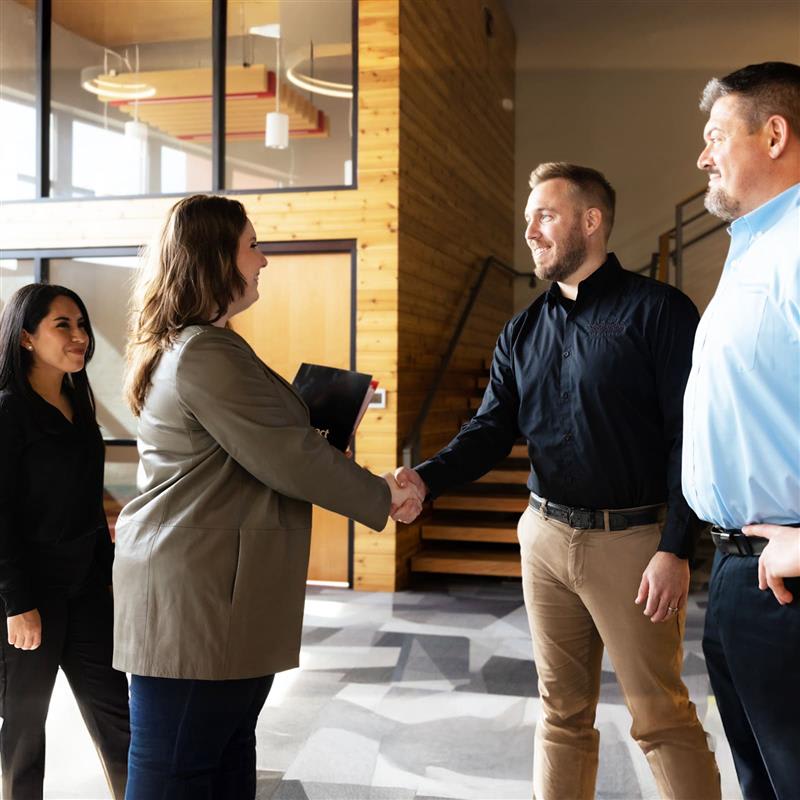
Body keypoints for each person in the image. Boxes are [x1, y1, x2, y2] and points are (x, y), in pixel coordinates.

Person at [395, 163, 720, 799]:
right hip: (543, 536)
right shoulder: (521, 331)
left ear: (591, 221)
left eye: (545, 216)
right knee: (561, 713)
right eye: (528, 219)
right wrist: (425, 481)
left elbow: (690, 437)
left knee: (660, 716)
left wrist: (676, 547)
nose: (531, 232)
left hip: (632, 544)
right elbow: (490, 430)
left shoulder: (660, 313)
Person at [113, 194, 420, 799]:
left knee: (223, 760)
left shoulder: (205, 344)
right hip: (196, 599)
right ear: (214, 258)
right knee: (174, 770)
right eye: (252, 246)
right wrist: (382, 494)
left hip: (216, 595)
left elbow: (272, 445)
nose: (263, 260)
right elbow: (288, 453)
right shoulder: (204, 352)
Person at [683, 61, 800, 799]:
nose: (703, 156)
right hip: (736, 571)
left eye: (717, 135)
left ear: (775, 134)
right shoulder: (754, 246)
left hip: (788, 578)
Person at [0, 284, 130, 799]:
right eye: (63, 325)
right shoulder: (8, 411)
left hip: (86, 590)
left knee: (117, 716)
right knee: (24, 729)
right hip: (30, 596)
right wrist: (18, 604)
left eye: (82, 325)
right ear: (26, 337)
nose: (80, 336)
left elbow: (86, 502)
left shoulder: (78, 402)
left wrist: (109, 577)